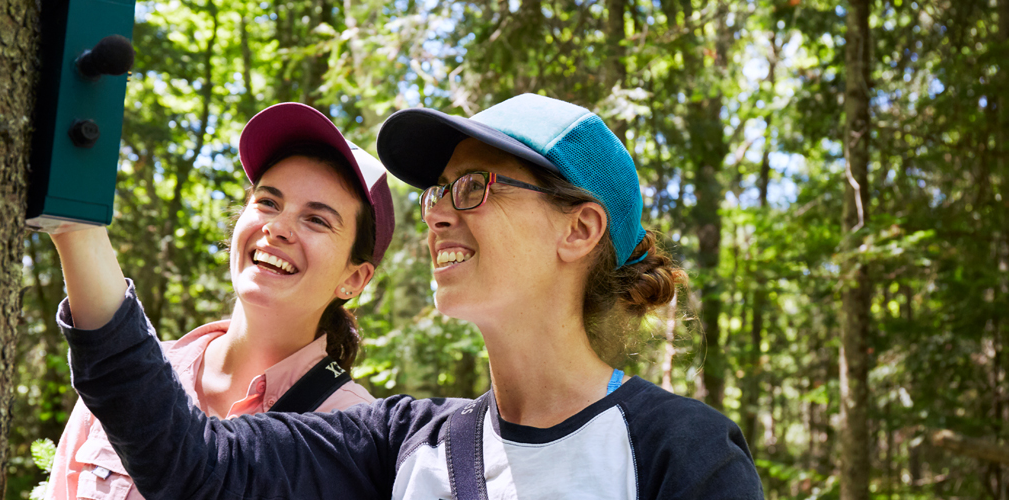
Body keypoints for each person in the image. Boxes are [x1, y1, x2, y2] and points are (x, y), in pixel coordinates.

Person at [56, 94, 764, 499]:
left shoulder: (679, 452)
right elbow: (190, 463)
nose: (435, 212)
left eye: (473, 186)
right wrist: (76, 222)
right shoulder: (400, 442)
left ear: (578, 229)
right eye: (436, 192)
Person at [44, 102, 396, 500]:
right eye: (268, 202)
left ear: (353, 278)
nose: (277, 228)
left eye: (316, 219)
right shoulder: (125, 376)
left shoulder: (354, 431)